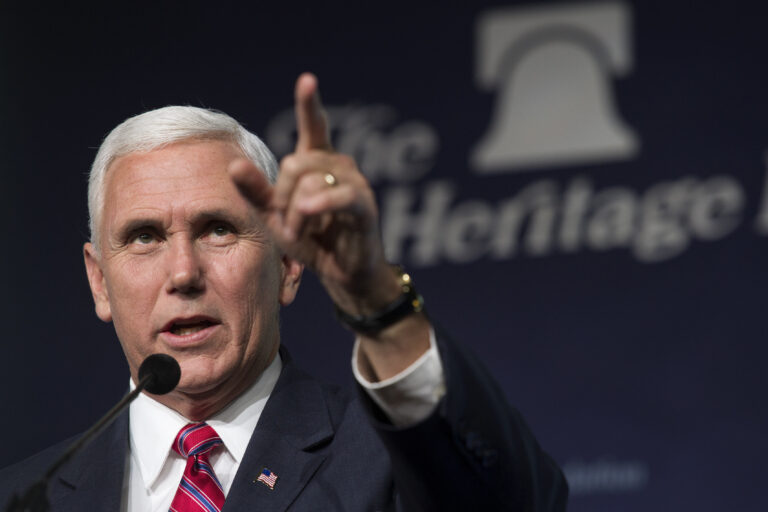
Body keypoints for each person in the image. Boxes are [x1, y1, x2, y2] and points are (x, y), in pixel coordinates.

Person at [0, 73, 567, 511]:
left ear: (289, 263)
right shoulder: (27, 497)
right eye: (144, 237)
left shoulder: (388, 464)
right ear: (100, 280)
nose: (183, 273)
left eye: (217, 229)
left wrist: (378, 303)